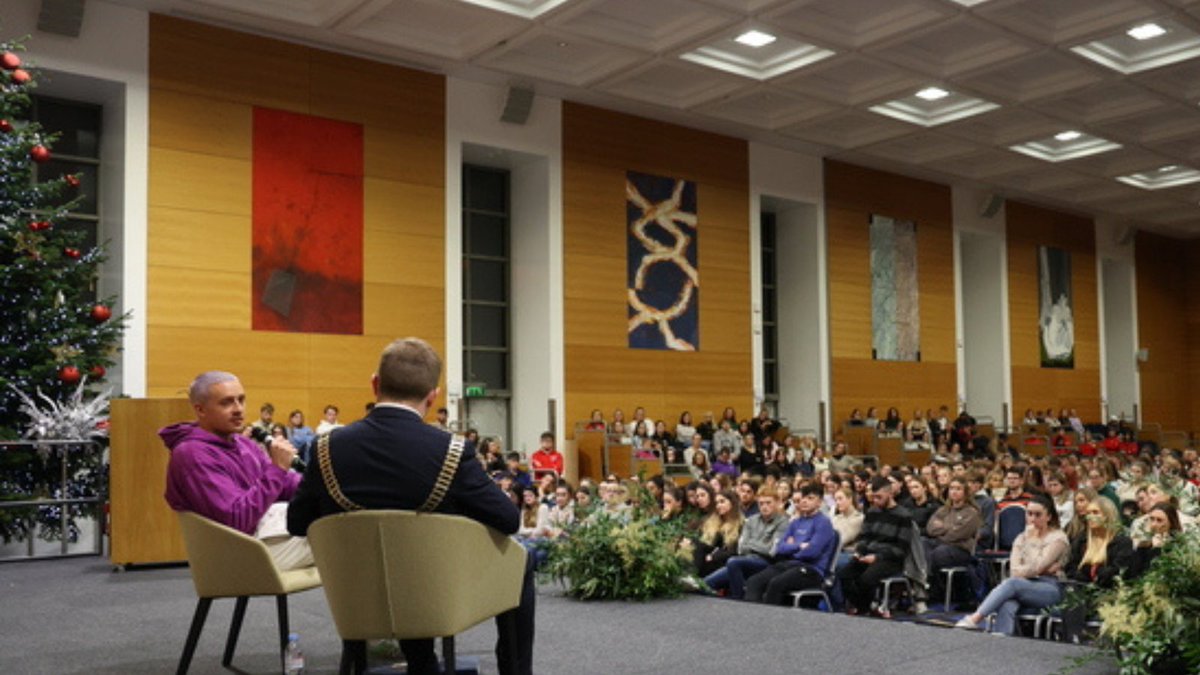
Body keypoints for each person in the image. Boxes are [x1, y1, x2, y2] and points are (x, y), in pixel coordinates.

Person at [287, 337, 534, 675]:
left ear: (375, 384)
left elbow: (297, 522)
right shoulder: (450, 450)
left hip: (356, 598)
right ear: (432, 397)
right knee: (523, 559)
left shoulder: (327, 447)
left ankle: (411, 662)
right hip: (433, 598)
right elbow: (507, 520)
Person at [162, 371, 312, 570]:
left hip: (262, 537)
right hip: (236, 555)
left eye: (241, 400)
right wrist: (277, 469)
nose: (238, 409)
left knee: (339, 517)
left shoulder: (242, 443)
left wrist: (318, 484)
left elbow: (282, 486)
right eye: (226, 403)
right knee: (344, 536)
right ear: (200, 410)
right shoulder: (192, 454)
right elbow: (237, 521)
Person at [956, 493, 1070, 635]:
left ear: (1049, 516)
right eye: (1029, 514)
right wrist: (1036, 569)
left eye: (1038, 515)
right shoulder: (1021, 537)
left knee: (1012, 585)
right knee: (1008, 600)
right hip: (1023, 583)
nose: (1032, 519)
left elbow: (1037, 567)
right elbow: (1014, 570)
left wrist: (1032, 542)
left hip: (1051, 587)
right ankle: (1003, 638)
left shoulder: (1058, 538)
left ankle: (974, 618)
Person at [744, 483, 837, 606]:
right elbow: (780, 548)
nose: (804, 501)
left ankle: (769, 622)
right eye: (803, 498)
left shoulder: (823, 523)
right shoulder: (795, 522)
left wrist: (792, 547)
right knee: (754, 581)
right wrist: (799, 546)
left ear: (819, 502)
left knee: (776, 584)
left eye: (810, 498)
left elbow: (811, 553)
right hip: (790, 565)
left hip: (812, 570)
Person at [837, 476, 912, 616]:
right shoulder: (872, 511)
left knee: (866, 579)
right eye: (874, 497)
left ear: (890, 493)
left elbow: (901, 549)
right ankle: (866, 607)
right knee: (844, 574)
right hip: (868, 554)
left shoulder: (904, 515)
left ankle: (863, 609)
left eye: (879, 497)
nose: (876, 501)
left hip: (890, 559)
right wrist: (859, 551)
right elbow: (864, 537)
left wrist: (877, 557)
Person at [703, 485, 787, 599]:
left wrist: (751, 544)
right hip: (745, 559)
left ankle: (738, 599)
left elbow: (772, 551)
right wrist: (761, 545)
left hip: (766, 563)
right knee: (706, 584)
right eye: (761, 503)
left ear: (777, 502)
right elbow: (741, 548)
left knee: (733, 562)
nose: (764, 507)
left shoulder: (783, 522)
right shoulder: (751, 520)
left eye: (768, 503)